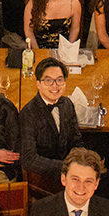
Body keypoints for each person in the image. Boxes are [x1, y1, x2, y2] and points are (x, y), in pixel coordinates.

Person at [19, 58, 85, 188]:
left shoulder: (67, 104)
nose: (55, 86)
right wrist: (66, 167)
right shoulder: (28, 113)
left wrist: (80, 160)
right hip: (45, 175)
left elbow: (75, 140)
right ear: (38, 84)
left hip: (70, 169)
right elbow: (29, 159)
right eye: (48, 81)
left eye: (59, 80)